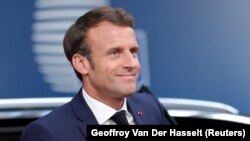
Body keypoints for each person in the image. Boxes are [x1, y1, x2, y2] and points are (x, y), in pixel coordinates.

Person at [20, 6, 176, 141]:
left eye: (133, 52)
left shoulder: (151, 108)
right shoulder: (48, 133)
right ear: (82, 64)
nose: (132, 64)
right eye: (115, 53)